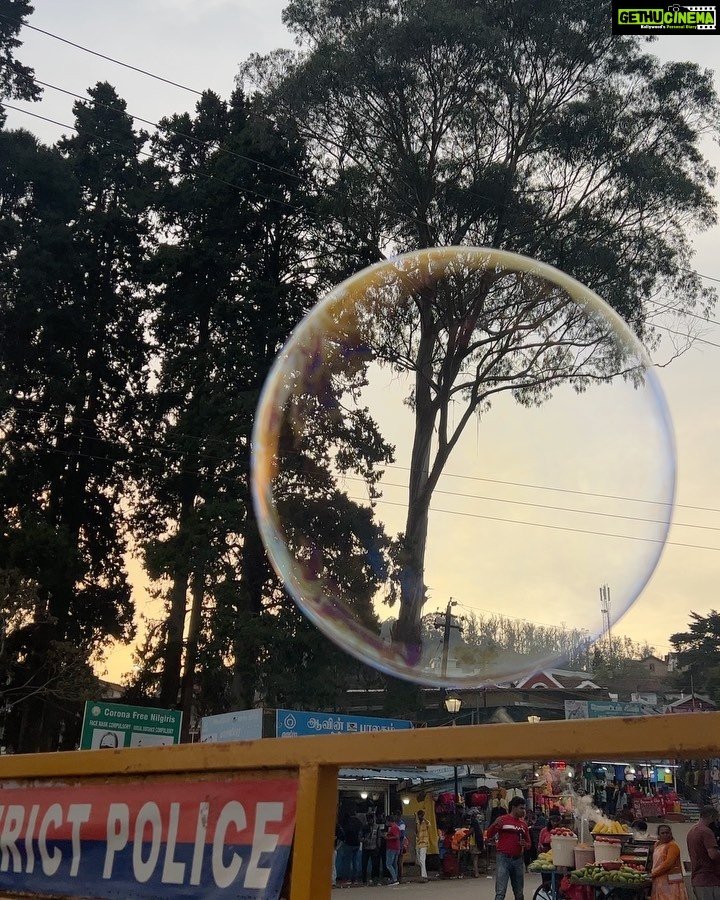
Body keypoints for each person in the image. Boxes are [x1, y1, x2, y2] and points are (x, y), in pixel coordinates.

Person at [486, 796, 531, 900]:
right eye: (521, 808)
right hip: (503, 859)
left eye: (524, 808)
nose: (523, 811)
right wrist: (494, 825)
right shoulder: (502, 820)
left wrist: (525, 844)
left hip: (518, 859)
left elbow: (529, 844)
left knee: (519, 893)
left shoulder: (523, 825)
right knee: (500, 892)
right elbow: (489, 834)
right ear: (514, 808)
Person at [687, 805, 720, 900]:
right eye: (715, 818)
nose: (715, 822)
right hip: (709, 879)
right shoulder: (706, 831)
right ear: (711, 817)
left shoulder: (692, 831)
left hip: (697, 879)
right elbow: (713, 855)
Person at [651, 825, 688, 900]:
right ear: (659, 835)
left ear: (671, 834)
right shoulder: (657, 845)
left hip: (672, 881)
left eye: (667, 833)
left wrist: (653, 874)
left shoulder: (673, 846)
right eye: (662, 833)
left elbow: (668, 864)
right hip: (659, 879)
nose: (665, 835)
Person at [361, 813, 383, 885]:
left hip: (374, 848)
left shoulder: (377, 827)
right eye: (369, 820)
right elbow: (360, 837)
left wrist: (378, 846)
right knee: (364, 864)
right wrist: (364, 840)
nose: (371, 821)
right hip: (366, 848)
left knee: (375, 864)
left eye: (372, 820)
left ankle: (375, 878)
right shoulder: (364, 828)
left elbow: (379, 837)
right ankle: (364, 879)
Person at [384, 814, 402, 886]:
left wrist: (387, 838)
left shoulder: (393, 827)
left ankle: (394, 879)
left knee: (388, 864)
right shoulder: (395, 827)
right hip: (395, 847)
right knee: (394, 864)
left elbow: (397, 836)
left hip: (392, 847)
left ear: (389, 821)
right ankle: (395, 878)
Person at [468, 812, 485, 878]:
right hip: (478, 844)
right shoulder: (478, 829)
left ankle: (476, 873)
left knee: (474, 859)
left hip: (474, 844)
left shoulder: (473, 828)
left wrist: (461, 839)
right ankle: (476, 871)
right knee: (476, 859)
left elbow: (468, 834)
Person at [415, 809, 430, 883]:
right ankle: (422, 875)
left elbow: (429, 824)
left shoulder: (425, 822)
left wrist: (424, 818)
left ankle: (424, 876)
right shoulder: (417, 823)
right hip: (418, 843)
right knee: (418, 860)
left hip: (424, 843)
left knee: (422, 859)